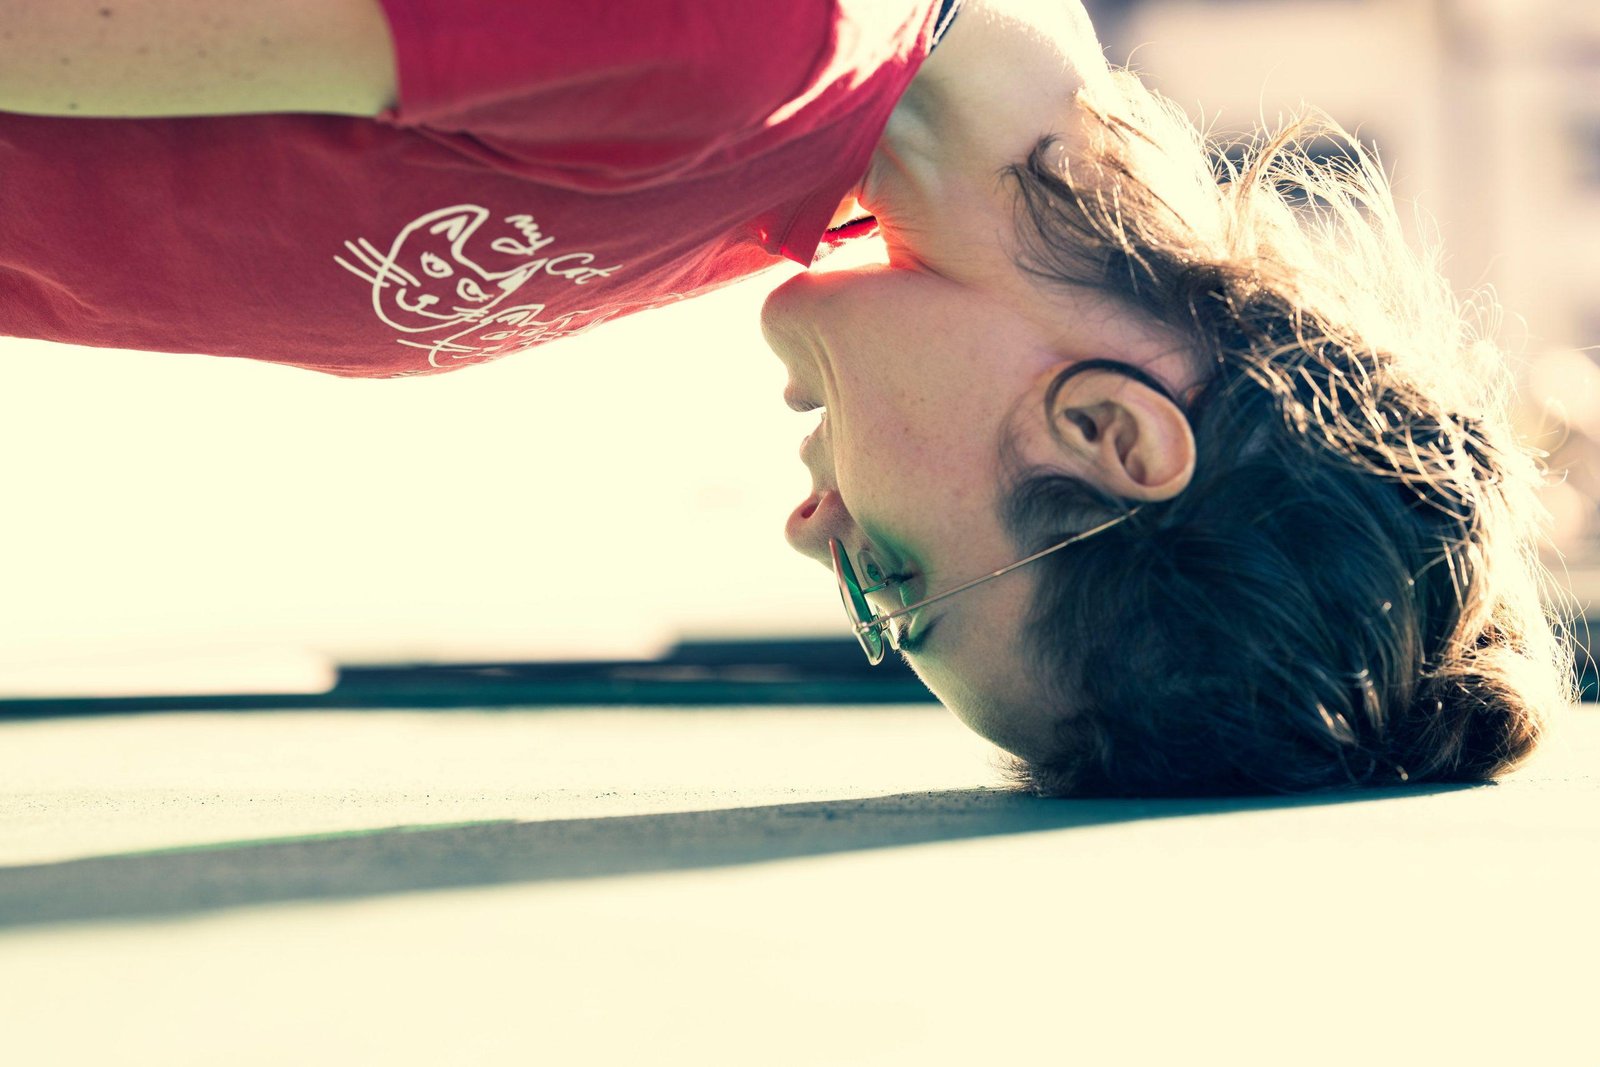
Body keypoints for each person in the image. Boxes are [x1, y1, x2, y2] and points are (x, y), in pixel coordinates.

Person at [2, 0, 1571, 795]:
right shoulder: (752, 40)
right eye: (897, 591)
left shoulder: (789, 168)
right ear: (1110, 436)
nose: (811, 533)